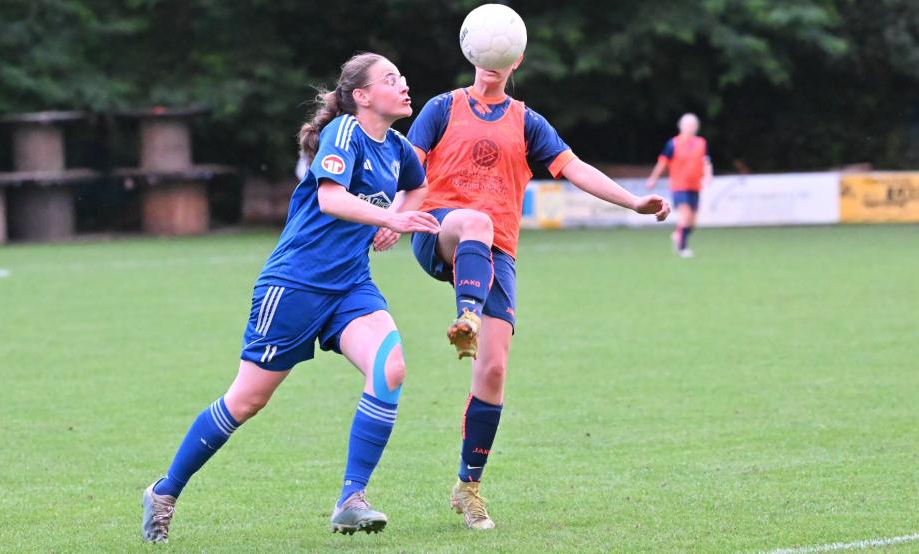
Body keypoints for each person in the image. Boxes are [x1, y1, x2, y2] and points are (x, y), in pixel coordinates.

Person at [140, 52, 440, 542]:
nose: (404, 85)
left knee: (390, 368)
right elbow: (330, 198)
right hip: (295, 285)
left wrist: (396, 220)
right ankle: (164, 491)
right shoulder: (345, 132)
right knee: (247, 400)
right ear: (362, 96)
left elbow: (419, 186)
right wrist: (391, 217)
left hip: (351, 285)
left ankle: (351, 499)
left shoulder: (398, 147)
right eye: (391, 79)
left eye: (402, 77)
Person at [402, 54, 671, 529]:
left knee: (493, 370)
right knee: (475, 222)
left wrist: (632, 201)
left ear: (515, 60)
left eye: (500, 54)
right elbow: (406, 167)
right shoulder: (442, 108)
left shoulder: (527, 122)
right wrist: (391, 216)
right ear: (470, 51)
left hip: (497, 252)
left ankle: (468, 487)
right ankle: (468, 315)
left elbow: (575, 167)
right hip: (438, 229)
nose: (491, 61)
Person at [646, 113, 713, 258]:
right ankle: (682, 248)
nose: (690, 128)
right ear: (681, 126)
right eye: (687, 125)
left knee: (693, 222)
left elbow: (706, 162)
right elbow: (662, 163)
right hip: (679, 186)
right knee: (685, 215)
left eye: (693, 125)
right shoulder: (673, 144)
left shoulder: (701, 143)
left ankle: (678, 235)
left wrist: (708, 175)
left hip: (695, 186)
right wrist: (653, 179)